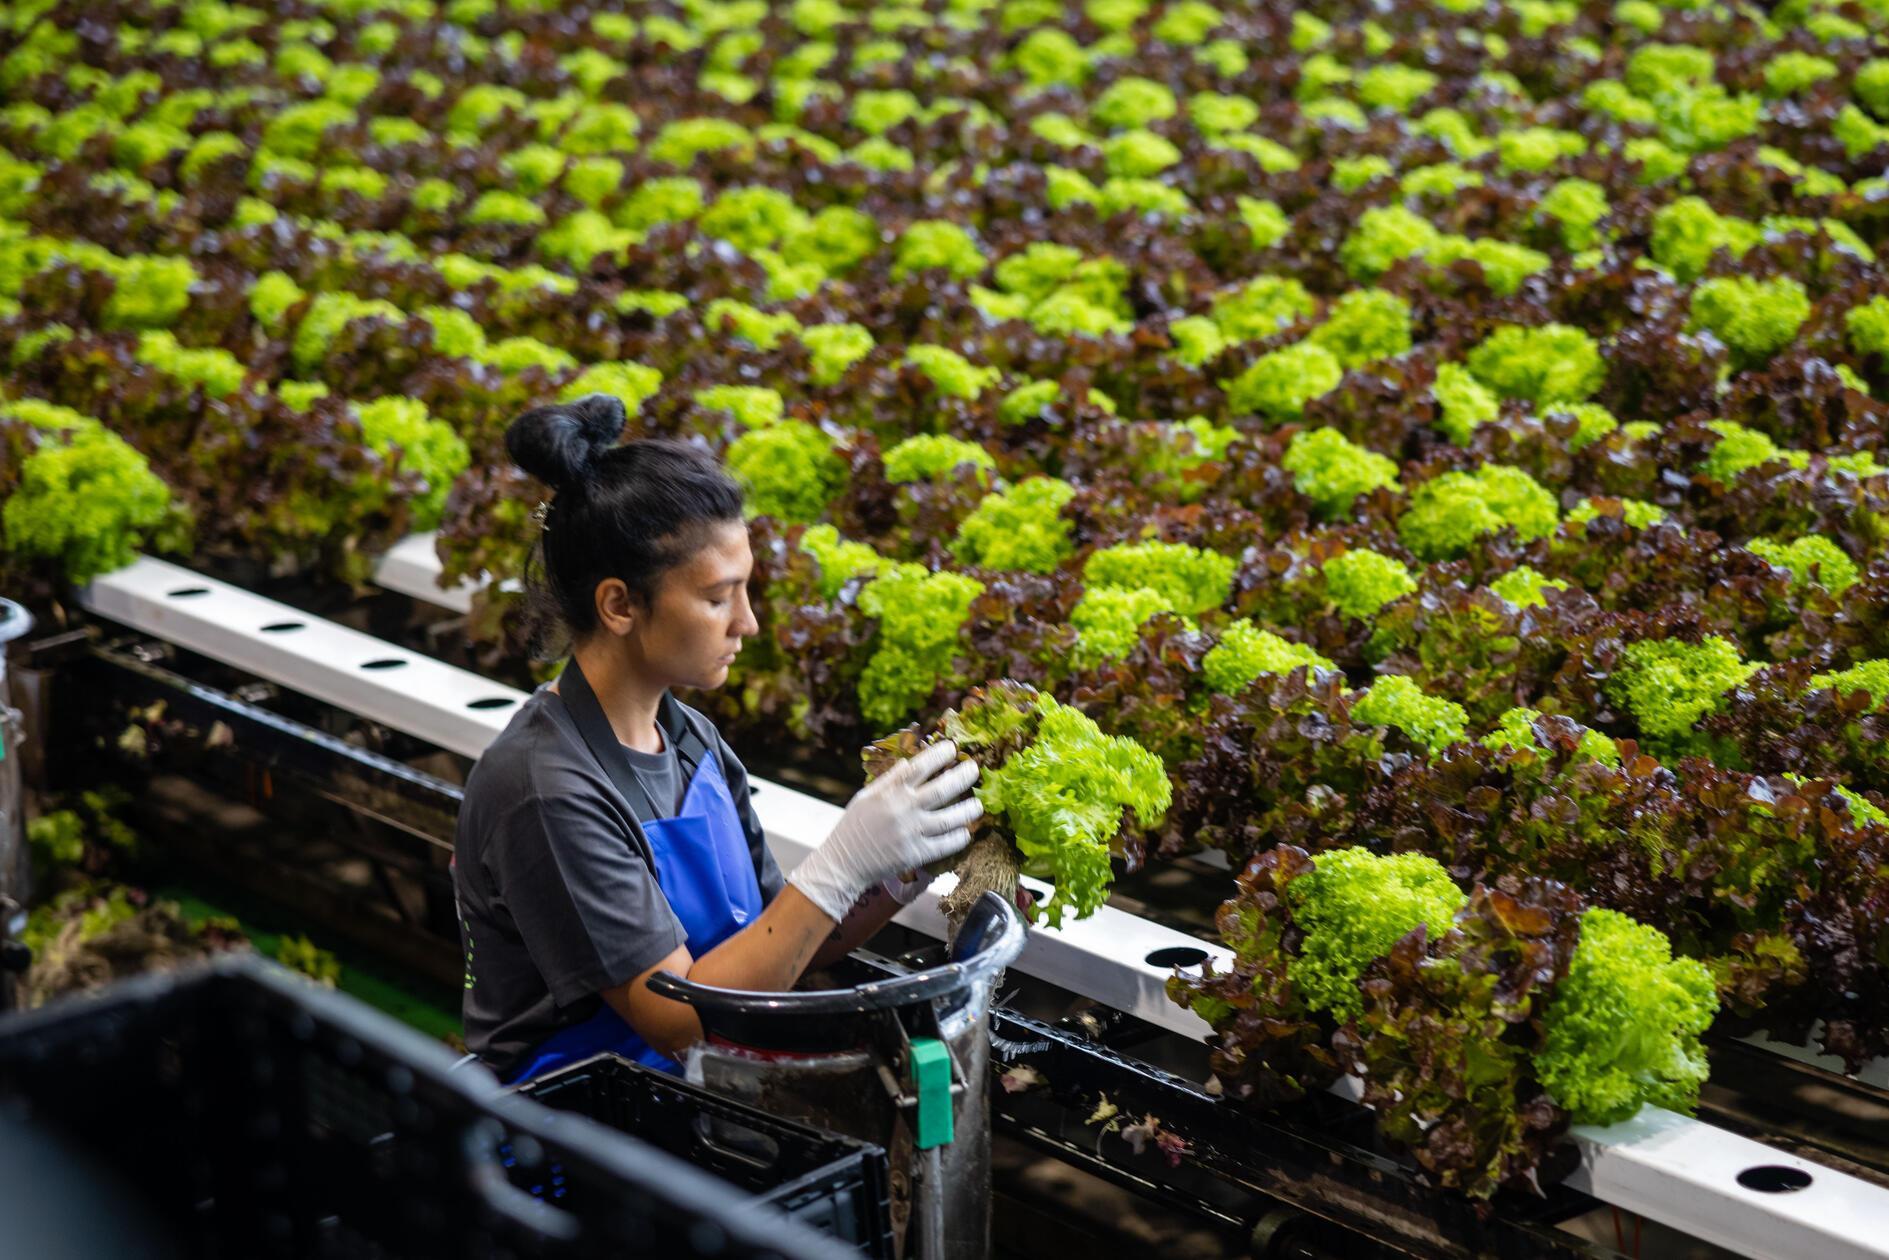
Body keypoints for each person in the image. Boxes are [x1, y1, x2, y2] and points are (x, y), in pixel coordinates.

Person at [452, 394, 982, 1084]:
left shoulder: (688, 738)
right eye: (716, 598)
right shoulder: (547, 790)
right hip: (578, 1112)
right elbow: (679, 1021)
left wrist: (898, 869)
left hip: (695, 1091)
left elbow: (779, 945)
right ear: (618, 604)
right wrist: (839, 864)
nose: (747, 623)